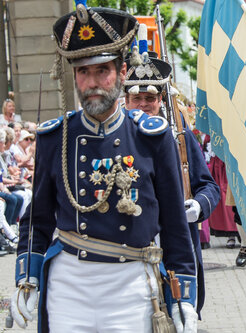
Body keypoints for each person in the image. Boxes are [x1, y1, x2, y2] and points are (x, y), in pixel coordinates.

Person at [10, 4, 198, 332]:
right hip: (69, 284)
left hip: (130, 284)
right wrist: (27, 279)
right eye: (83, 72)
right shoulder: (56, 137)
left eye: (102, 71)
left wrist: (184, 297)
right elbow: (36, 221)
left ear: (122, 72)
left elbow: (174, 226)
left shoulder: (152, 138)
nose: (92, 82)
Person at [123, 24, 221, 318]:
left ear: (160, 100)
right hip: (130, 247)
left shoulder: (180, 136)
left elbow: (209, 186)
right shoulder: (116, 141)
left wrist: (198, 206)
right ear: (126, 101)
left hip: (175, 242)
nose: (143, 105)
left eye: (150, 99)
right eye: (136, 99)